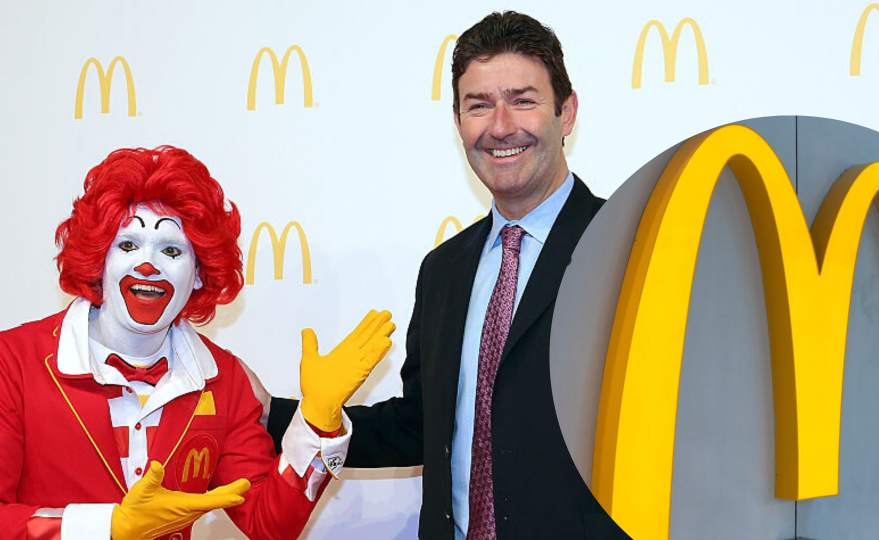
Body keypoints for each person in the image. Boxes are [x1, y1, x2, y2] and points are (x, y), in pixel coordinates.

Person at [265, 11, 629, 540]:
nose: (501, 125)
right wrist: (273, 415)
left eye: (523, 100)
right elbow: (419, 428)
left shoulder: (629, 248)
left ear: (566, 113)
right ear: (458, 122)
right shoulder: (443, 270)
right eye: (479, 105)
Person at [0, 146, 394, 540]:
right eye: (127, 245)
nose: (147, 265)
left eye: (171, 250)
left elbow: (269, 524)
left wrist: (316, 423)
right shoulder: (12, 363)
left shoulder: (226, 381)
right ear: (97, 258)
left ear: (201, 273)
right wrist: (107, 528)